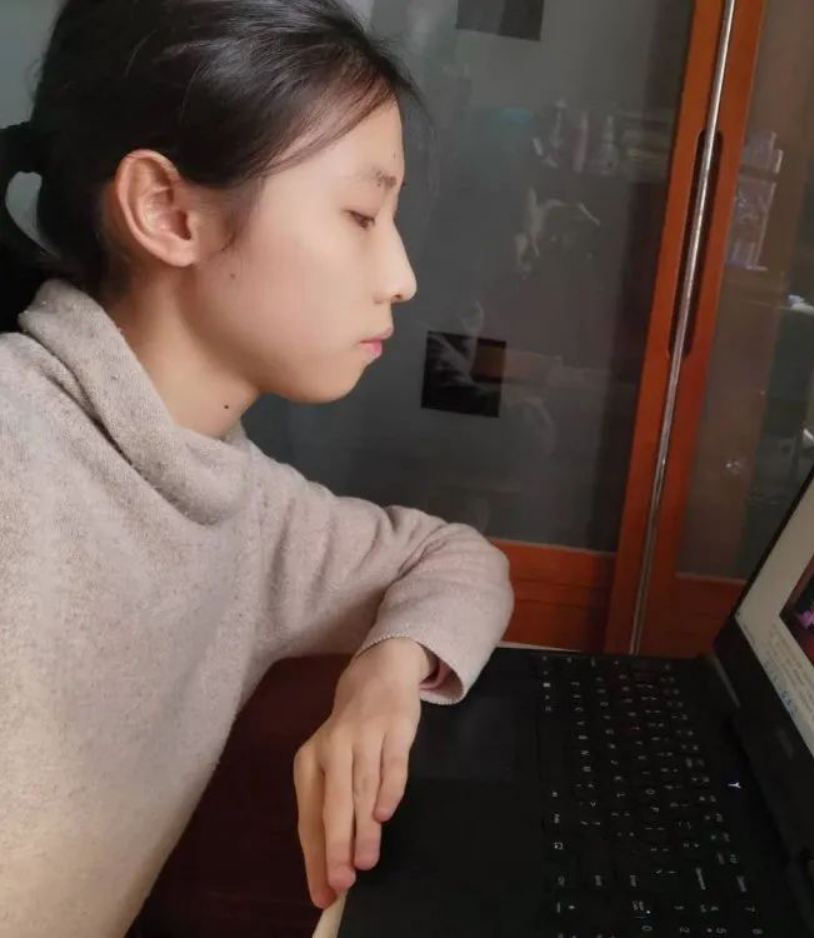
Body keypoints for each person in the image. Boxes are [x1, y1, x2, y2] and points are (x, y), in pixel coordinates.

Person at [0, 2, 514, 936]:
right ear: (168, 212)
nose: (400, 275)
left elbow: (453, 557)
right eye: (360, 214)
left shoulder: (243, 502)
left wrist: (387, 672)